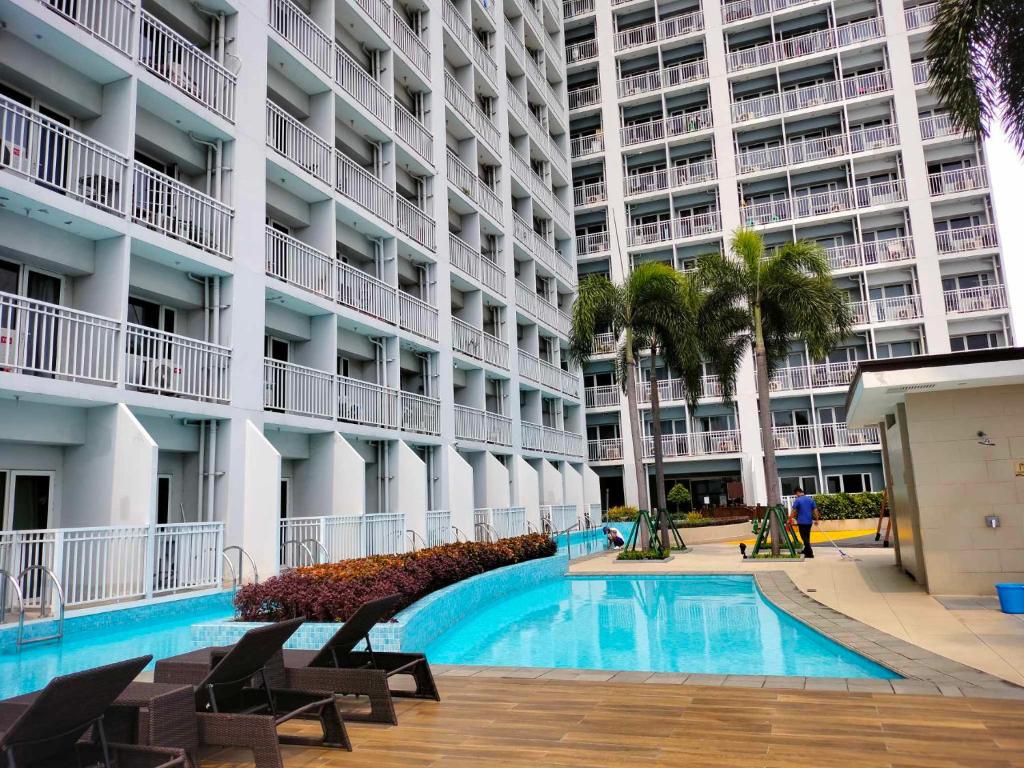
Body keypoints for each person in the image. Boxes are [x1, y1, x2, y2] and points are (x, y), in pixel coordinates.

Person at [789, 488, 819, 558]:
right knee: (807, 537)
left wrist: (790, 519)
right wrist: (817, 520)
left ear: (798, 492)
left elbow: (793, 510)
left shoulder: (798, 500)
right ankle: (805, 550)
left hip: (802, 522)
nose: (796, 496)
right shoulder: (810, 499)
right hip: (809, 522)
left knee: (804, 538)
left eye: (796, 494)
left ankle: (810, 553)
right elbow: (815, 510)